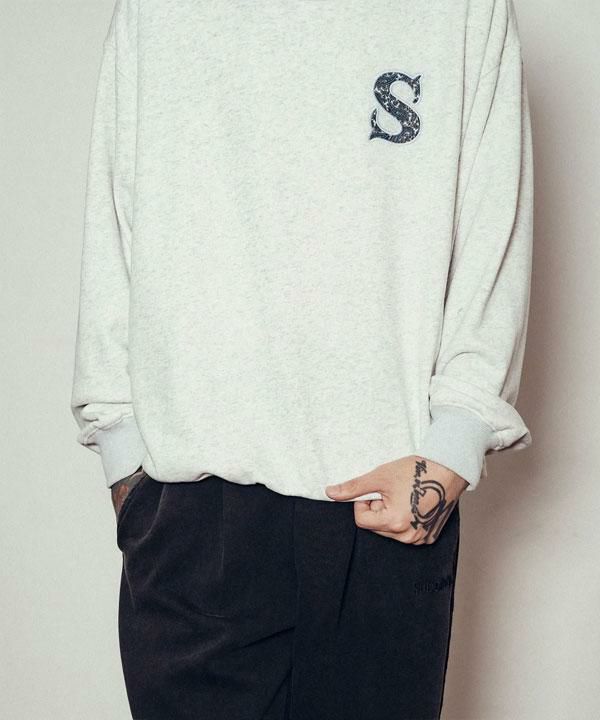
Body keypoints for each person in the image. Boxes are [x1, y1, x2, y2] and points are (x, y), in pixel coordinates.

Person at [70, 0, 534, 717]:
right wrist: (124, 454)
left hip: (385, 504)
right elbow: (115, 214)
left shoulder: (464, 10)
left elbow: (490, 219)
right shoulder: (157, 11)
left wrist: (456, 443)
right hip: (193, 508)